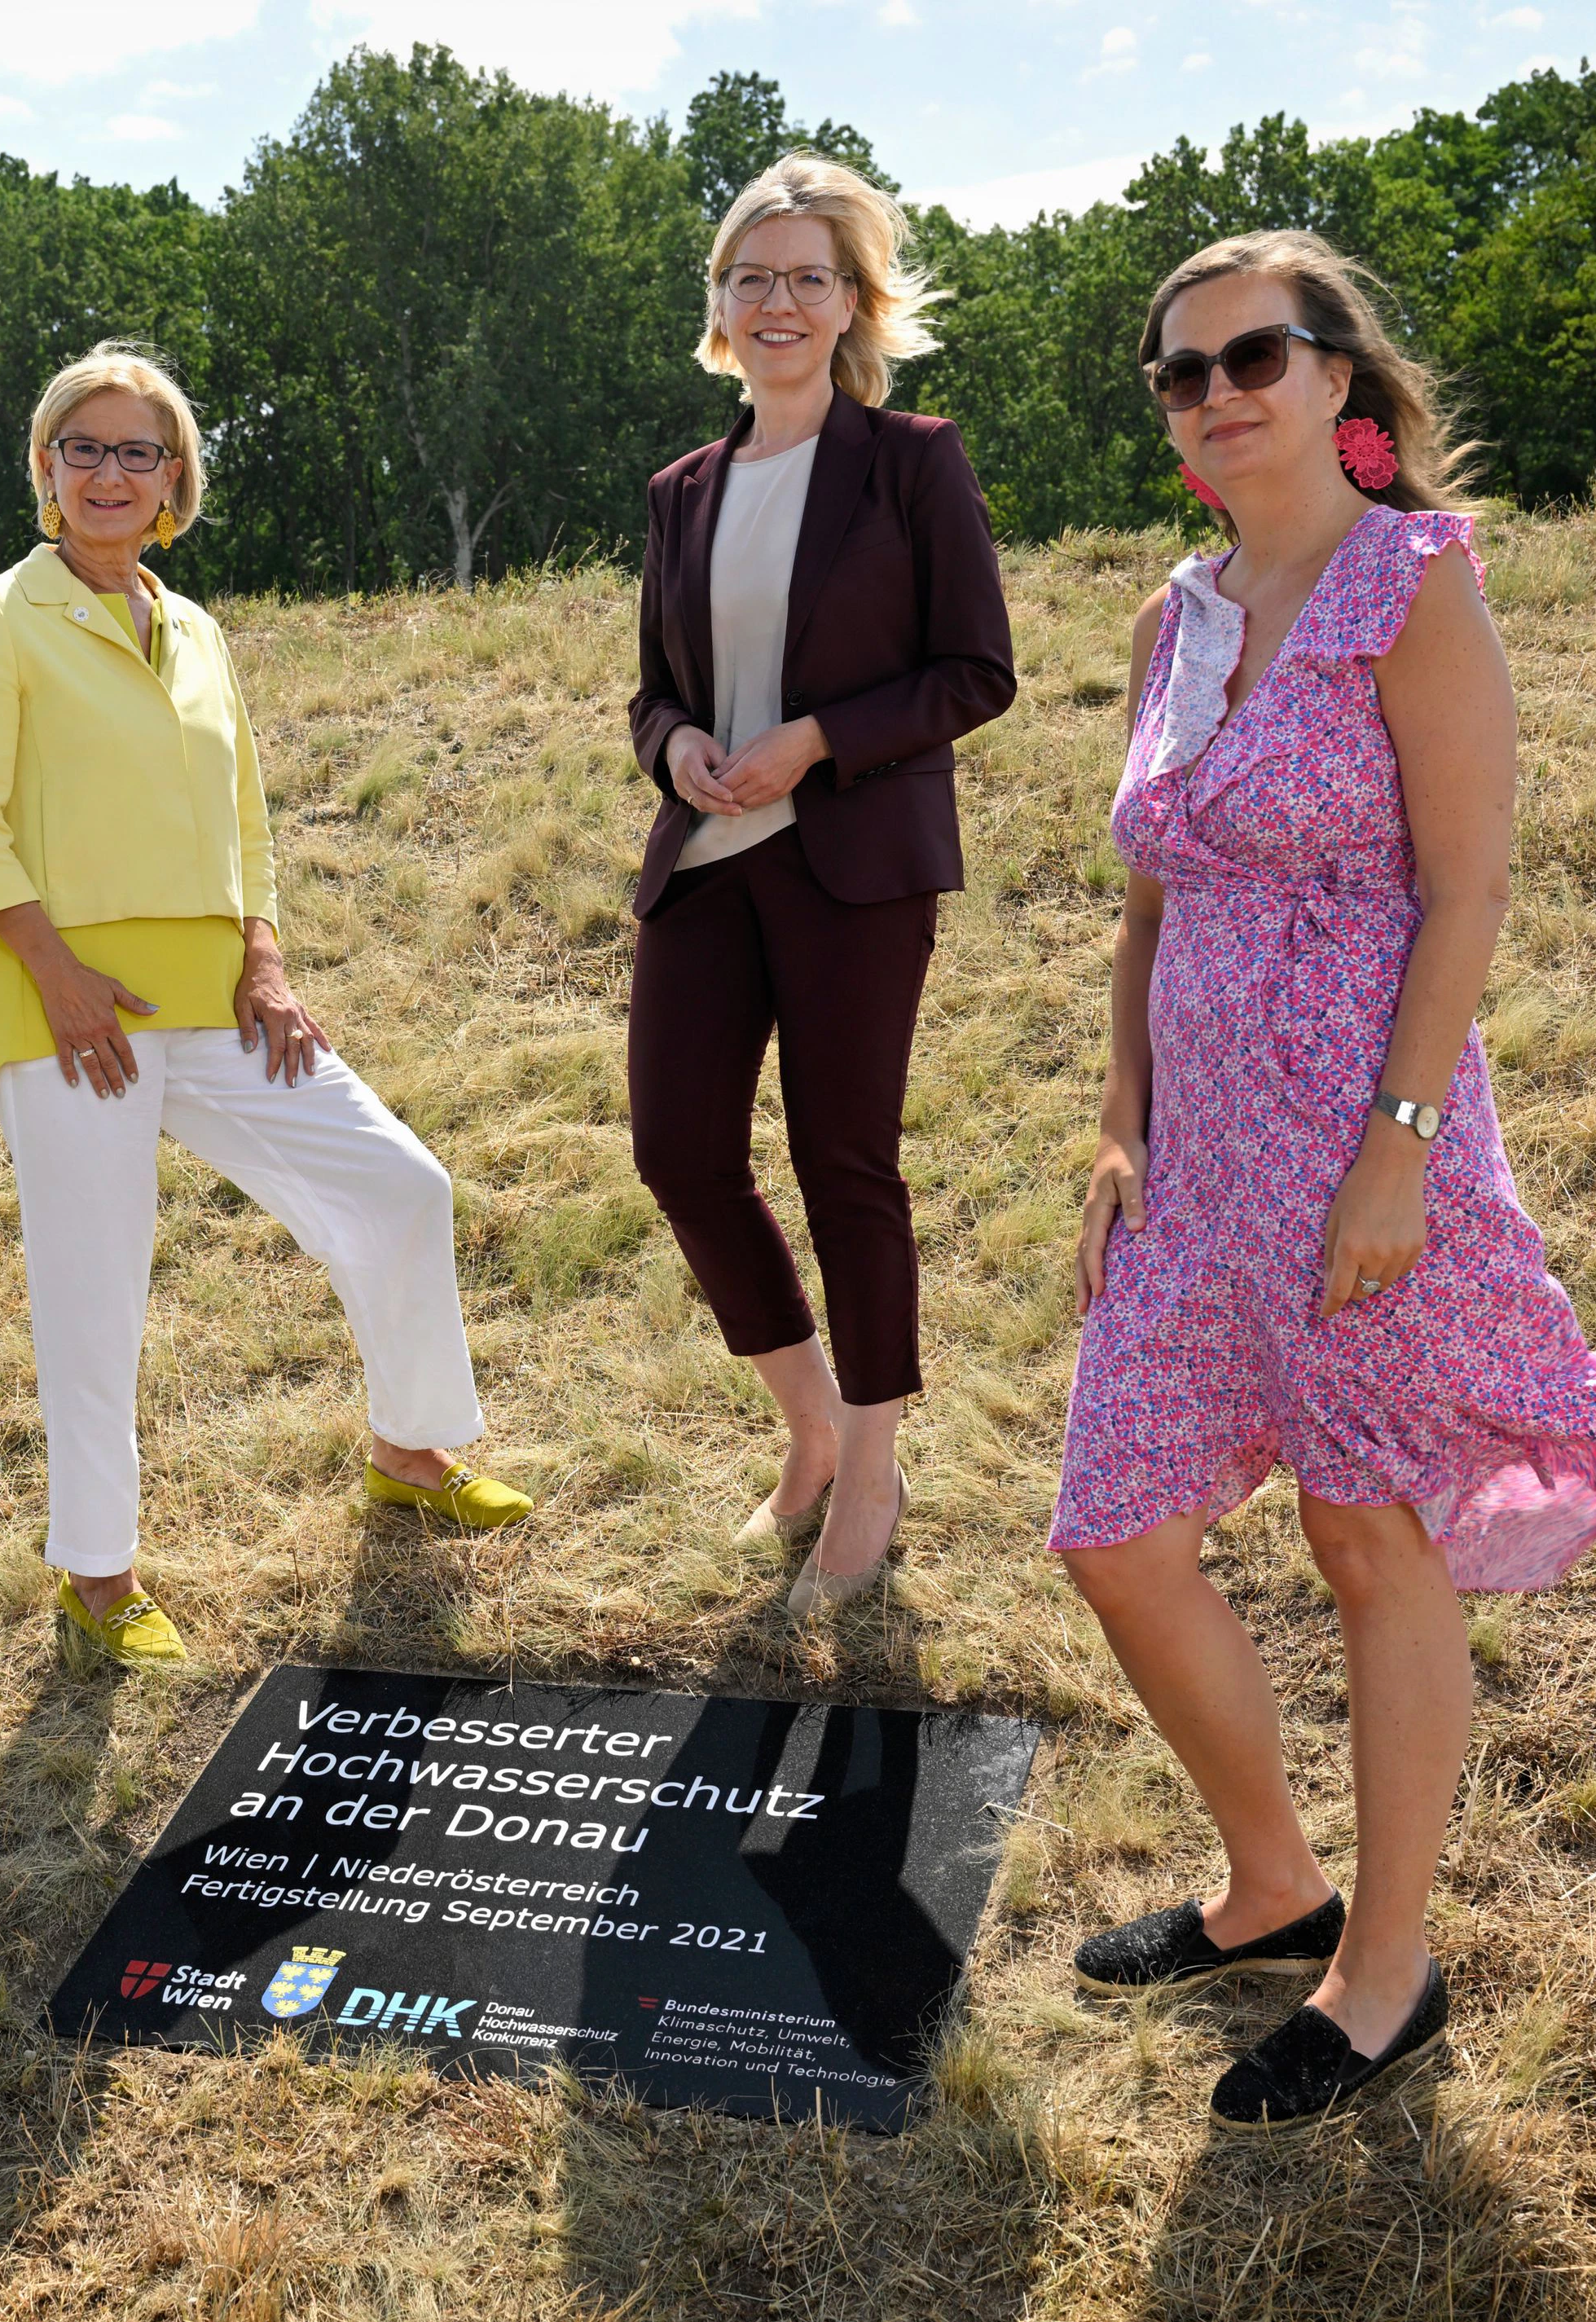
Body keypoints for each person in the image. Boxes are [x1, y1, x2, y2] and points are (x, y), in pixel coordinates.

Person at [1052, 231, 1596, 2131]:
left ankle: (1381, 1971)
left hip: (1363, 1160)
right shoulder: (1174, 613)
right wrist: (1115, 1115)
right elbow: (1148, 893)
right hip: (1189, 1170)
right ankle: (1266, 1881)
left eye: (1250, 357)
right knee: (1115, 1532)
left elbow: (1464, 893)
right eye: (1177, 371)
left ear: (1337, 377)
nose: (1212, 393)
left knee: (1364, 1538)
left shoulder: (1410, 588)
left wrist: (1396, 1154)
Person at [0, 344, 531, 1673]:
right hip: (67, 1010)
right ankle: (99, 1578)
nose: (109, 473)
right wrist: (55, 972)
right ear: (46, 466)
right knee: (96, 1300)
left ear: (175, 479)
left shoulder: (196, 628)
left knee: (400, 1187)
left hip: (218, 999)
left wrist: (265, 958)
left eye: (138, 451)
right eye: (83, 447)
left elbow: (245, 817)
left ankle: (410, 1452)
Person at [627, 155, 1016, 1616]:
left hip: (854, 863)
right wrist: (674, 753)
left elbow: (977, 671)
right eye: (750, 277)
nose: (775, 300)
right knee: (679, 1151)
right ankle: (806, 1431)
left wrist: (818, 742)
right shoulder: (683, 491)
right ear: (720, 311)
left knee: (845, 1168)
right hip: (710, 861)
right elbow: (654, 694)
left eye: (805, 277)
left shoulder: (912, 460)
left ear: (854, 302)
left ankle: (871, 1470)